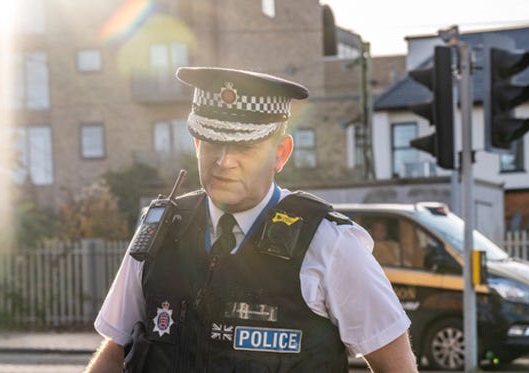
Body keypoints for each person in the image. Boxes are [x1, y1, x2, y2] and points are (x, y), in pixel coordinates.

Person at [85, 67, 417, 372]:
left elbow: (396, 365)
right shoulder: (160, 231)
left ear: (281, 154)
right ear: (197, 143)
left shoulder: (329, 244)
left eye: (245, 147)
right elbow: (114, 350)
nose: (224, 162)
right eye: (213, 143)